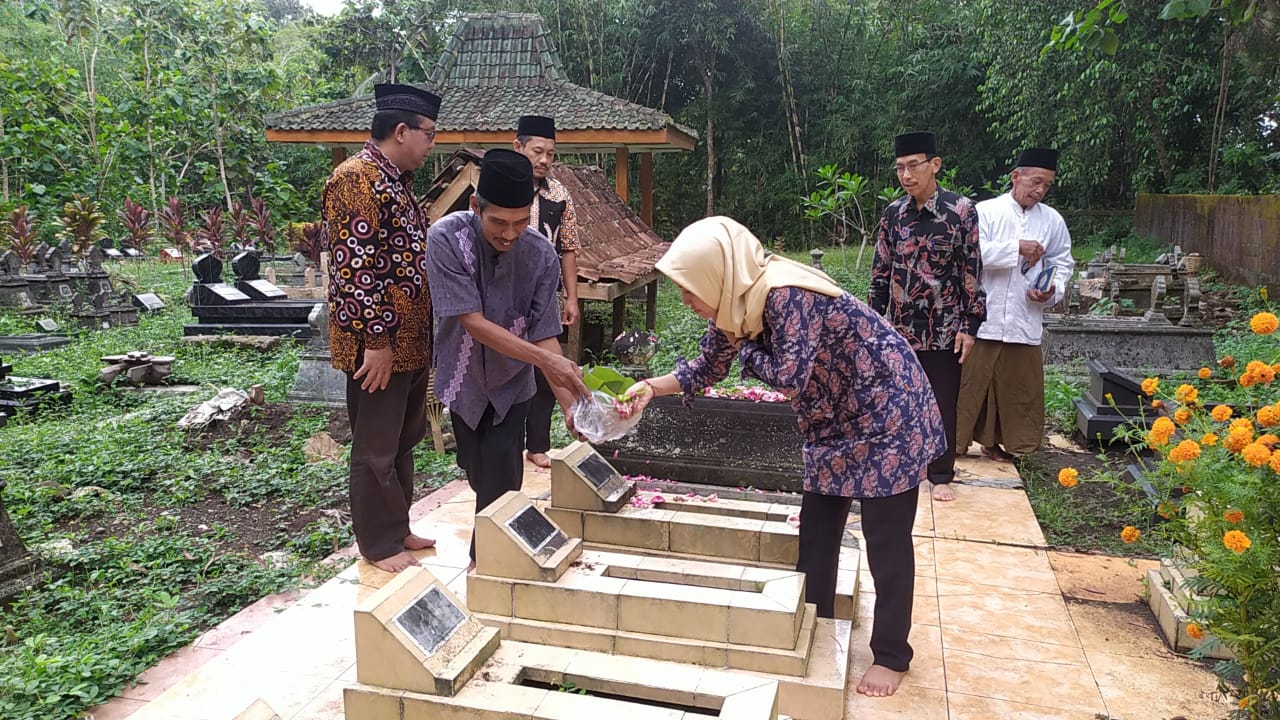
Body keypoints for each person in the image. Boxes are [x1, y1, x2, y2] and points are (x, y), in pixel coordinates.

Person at [624, 217, 945, 698]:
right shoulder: (735, 303)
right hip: (833, 420)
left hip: (887, 413)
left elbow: (789, 375)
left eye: (689, 290)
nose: (687, 302)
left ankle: (891, 655)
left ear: (717, 274)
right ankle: (814, 622)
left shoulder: (783, 294)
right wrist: (652, 387)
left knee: (887, 539)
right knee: (818, 528)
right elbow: (709, 364)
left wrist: (744, 349)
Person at [426, 149, 590, 567]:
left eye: (520, 222)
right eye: (498, 222)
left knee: (501, 478)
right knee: (476, 470)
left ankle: (488, 567)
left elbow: (546, 335)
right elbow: (473, 323)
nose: (509, 234)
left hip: (512, 385)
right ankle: (496, 546)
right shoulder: (446, 239)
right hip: (462, 379)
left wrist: (571, 406)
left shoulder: (541, 255)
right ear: (474, 206)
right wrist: (546, 361)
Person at [322, 83, 441, 573]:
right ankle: (377, 543)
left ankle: (398, 526)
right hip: (378, 346)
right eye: (428, 135)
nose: (432, 145)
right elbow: (355, 269)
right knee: (375, 446)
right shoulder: (356, 180)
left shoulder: (397, 183)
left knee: (403, 440)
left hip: (411, 343)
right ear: (401, 131)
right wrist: (375, 341)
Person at [870, 131, 985, 503]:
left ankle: (940, 474)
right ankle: (905, 464)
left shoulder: (961, 211)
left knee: (941, 401)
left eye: (913, 166)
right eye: (900, 168)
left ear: (934, 165)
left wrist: (970, 325)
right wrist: (873, 324)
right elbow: (881, 271)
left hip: (945, 328)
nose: (906, 175)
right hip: (901, 329)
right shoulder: (893, 214)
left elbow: (972, 270)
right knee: (899, 399)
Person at [957, 148, 1072, 461]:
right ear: (1015, 176)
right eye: (1035, 181)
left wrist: (1051, 290)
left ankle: (1000, 444)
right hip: (983, 316)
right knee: (968, 386)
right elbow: (968, 255)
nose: (1040, 190)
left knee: (1018, 387)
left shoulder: (1052, 221)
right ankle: (954, 446)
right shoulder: (985, 211)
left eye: (1047, 185)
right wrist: (1015, 248)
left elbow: (1063, 263)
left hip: (1024, 318)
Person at [512, 115, 582, 469]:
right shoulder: (501, 187)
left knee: (546, 372)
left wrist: (570, 297)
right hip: (507, 295)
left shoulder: (560, 194)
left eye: (550, 154)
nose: (543, 160)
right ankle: (507, 444)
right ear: (518, 147)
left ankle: (537, 444)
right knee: (510, 367)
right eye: (537, 151)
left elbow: (568, 248)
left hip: (546, 293)